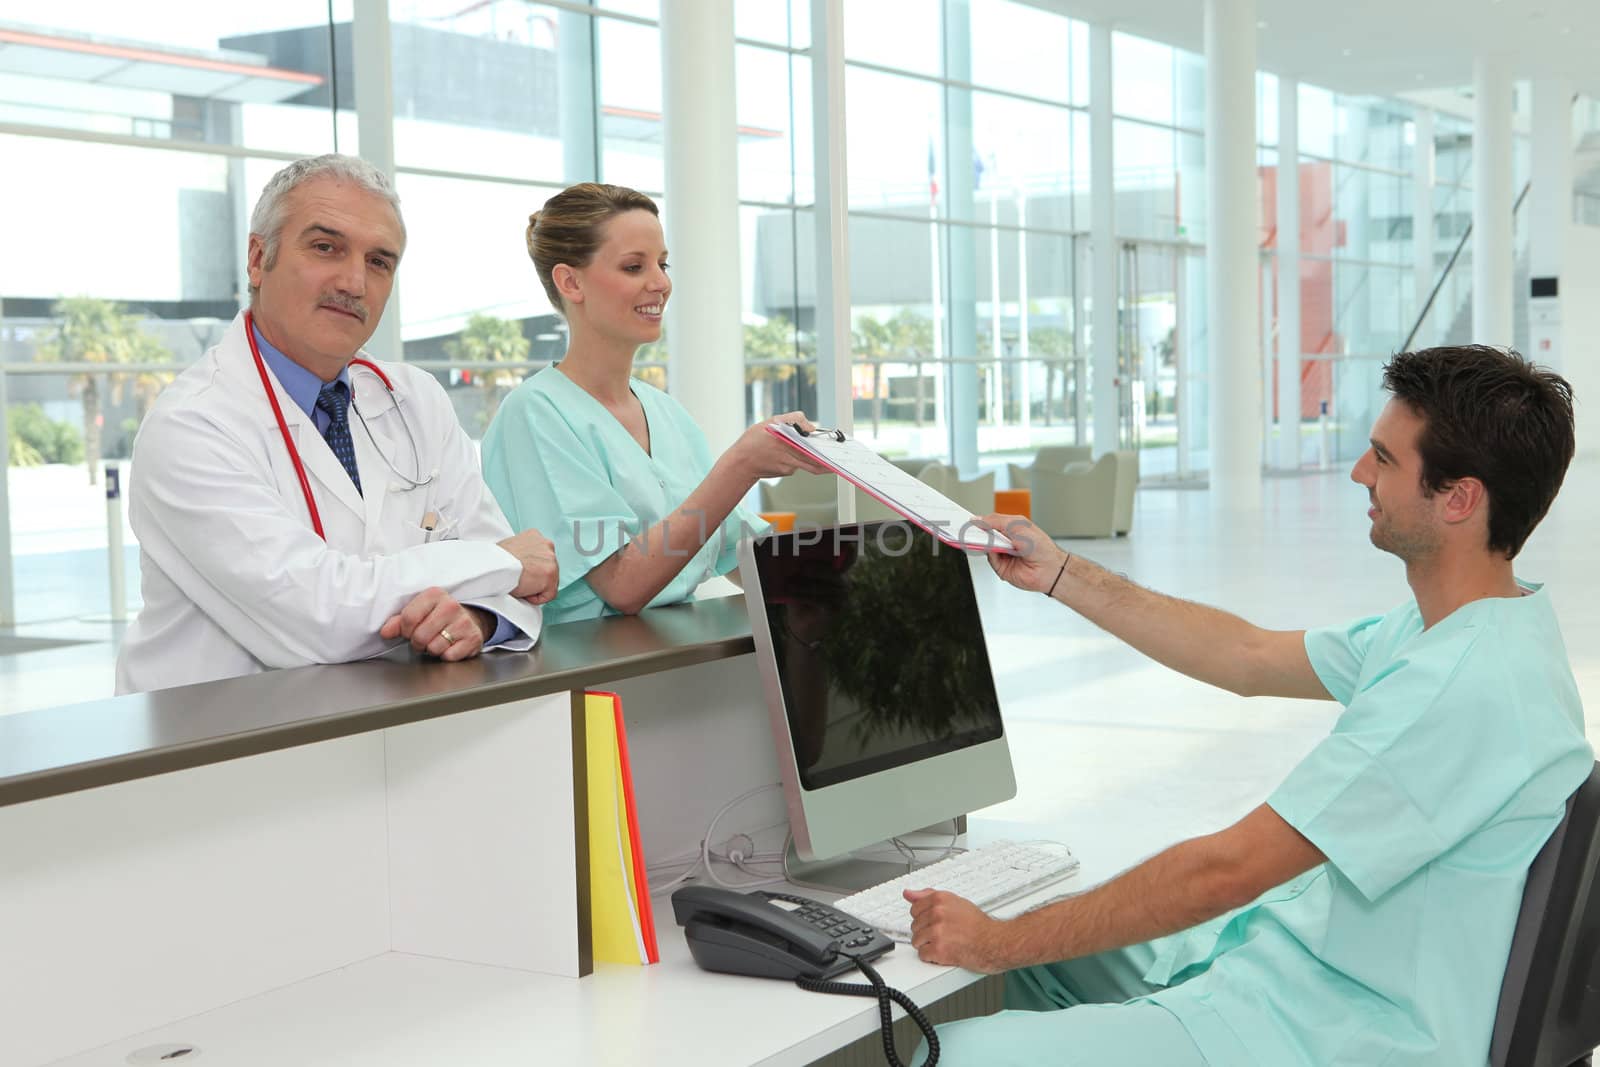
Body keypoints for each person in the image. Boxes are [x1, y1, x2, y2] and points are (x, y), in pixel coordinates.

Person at [905, 345, 1592, 1066]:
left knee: (952, 1051)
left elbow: (1225, 871)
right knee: (1037, 961)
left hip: (1337, 1027)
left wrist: (992, 939)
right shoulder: (1467, 626)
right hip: (1295, 963)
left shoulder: (1458, 688)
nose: (1360, 473)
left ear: (1459, 498)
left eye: (1384, 460)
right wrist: (1062, 573)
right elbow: (1248, 656)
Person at [116, 154, 558, 694]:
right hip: (222, 749)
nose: (354, 282)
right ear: (259, 259)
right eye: (326, 247)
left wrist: (478, 618)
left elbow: (520, 590)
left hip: (391, 729)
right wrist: (495, 563)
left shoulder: (415, 399)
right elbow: (321, 618)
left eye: (379, 262)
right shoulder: (192, 427)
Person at [481, 182, 827, 624]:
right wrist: (742, 465)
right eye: (633, 266)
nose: (661, 283)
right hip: (591, 681)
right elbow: (623, 585)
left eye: (662, 264)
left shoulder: (664, 412)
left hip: (683, 666)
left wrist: (858, 572)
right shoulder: (534, 415)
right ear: (570, 282)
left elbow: (744, 556)